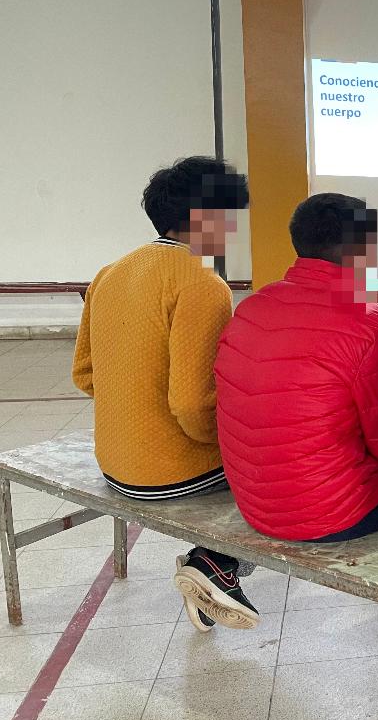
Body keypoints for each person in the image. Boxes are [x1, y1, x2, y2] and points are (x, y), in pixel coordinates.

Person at [72, 157, 257, 633]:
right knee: (275, 469)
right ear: (205, 217)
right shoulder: (202, 283)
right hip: (168, 475)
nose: (233, 228)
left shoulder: (109, 272)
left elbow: (84, 375)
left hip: (114, 463)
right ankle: (215, 563)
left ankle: (212, 568)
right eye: (230, 215)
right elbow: (193, 405)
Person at [213, 194, 378, 553]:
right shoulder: (372, 326)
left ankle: (225, 564)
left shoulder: (251, 307)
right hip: (333, 513)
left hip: (255, 503)